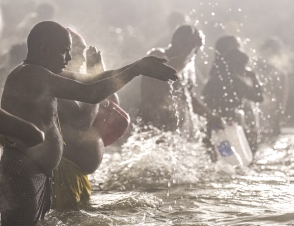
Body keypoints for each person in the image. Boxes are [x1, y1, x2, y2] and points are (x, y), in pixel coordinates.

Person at [0, 21, 178, 226]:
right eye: (63, 51)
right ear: (44, 49)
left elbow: (93, 81)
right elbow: (91, 94)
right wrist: (136, 69)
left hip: (34, 170)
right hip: (24, 170)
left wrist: (138, 66)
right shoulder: (32, 75)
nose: (68, 58)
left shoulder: (41, 74)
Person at [52, 28, 120, 209]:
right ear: (62, 52)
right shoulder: (56, 83)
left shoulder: (75, 82)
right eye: (77, 53)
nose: (82, 59)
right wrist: (94, 82)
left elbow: (112, 103)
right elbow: (81, 124)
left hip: (77, 173)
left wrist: (98, 71)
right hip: (62, 173)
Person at [138, 24, 223, 137]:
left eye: (196, 49)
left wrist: (210, 116)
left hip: (174, 126)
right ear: (178, 42)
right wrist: (188, 53)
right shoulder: (156, 55)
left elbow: (189, 97)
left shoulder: (188, 66)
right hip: (152, 122)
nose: (195, 53)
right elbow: (168, 72)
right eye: (193, 47)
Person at [202, 48, 263, 160]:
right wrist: (253, 77)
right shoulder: (236, 81)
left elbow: (204, 100)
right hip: (233, 122)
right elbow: (259, 97)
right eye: (243, 66)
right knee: (238, 158)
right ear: (238, 65)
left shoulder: (212, 80)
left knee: (214, 157)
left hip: (212, 123)